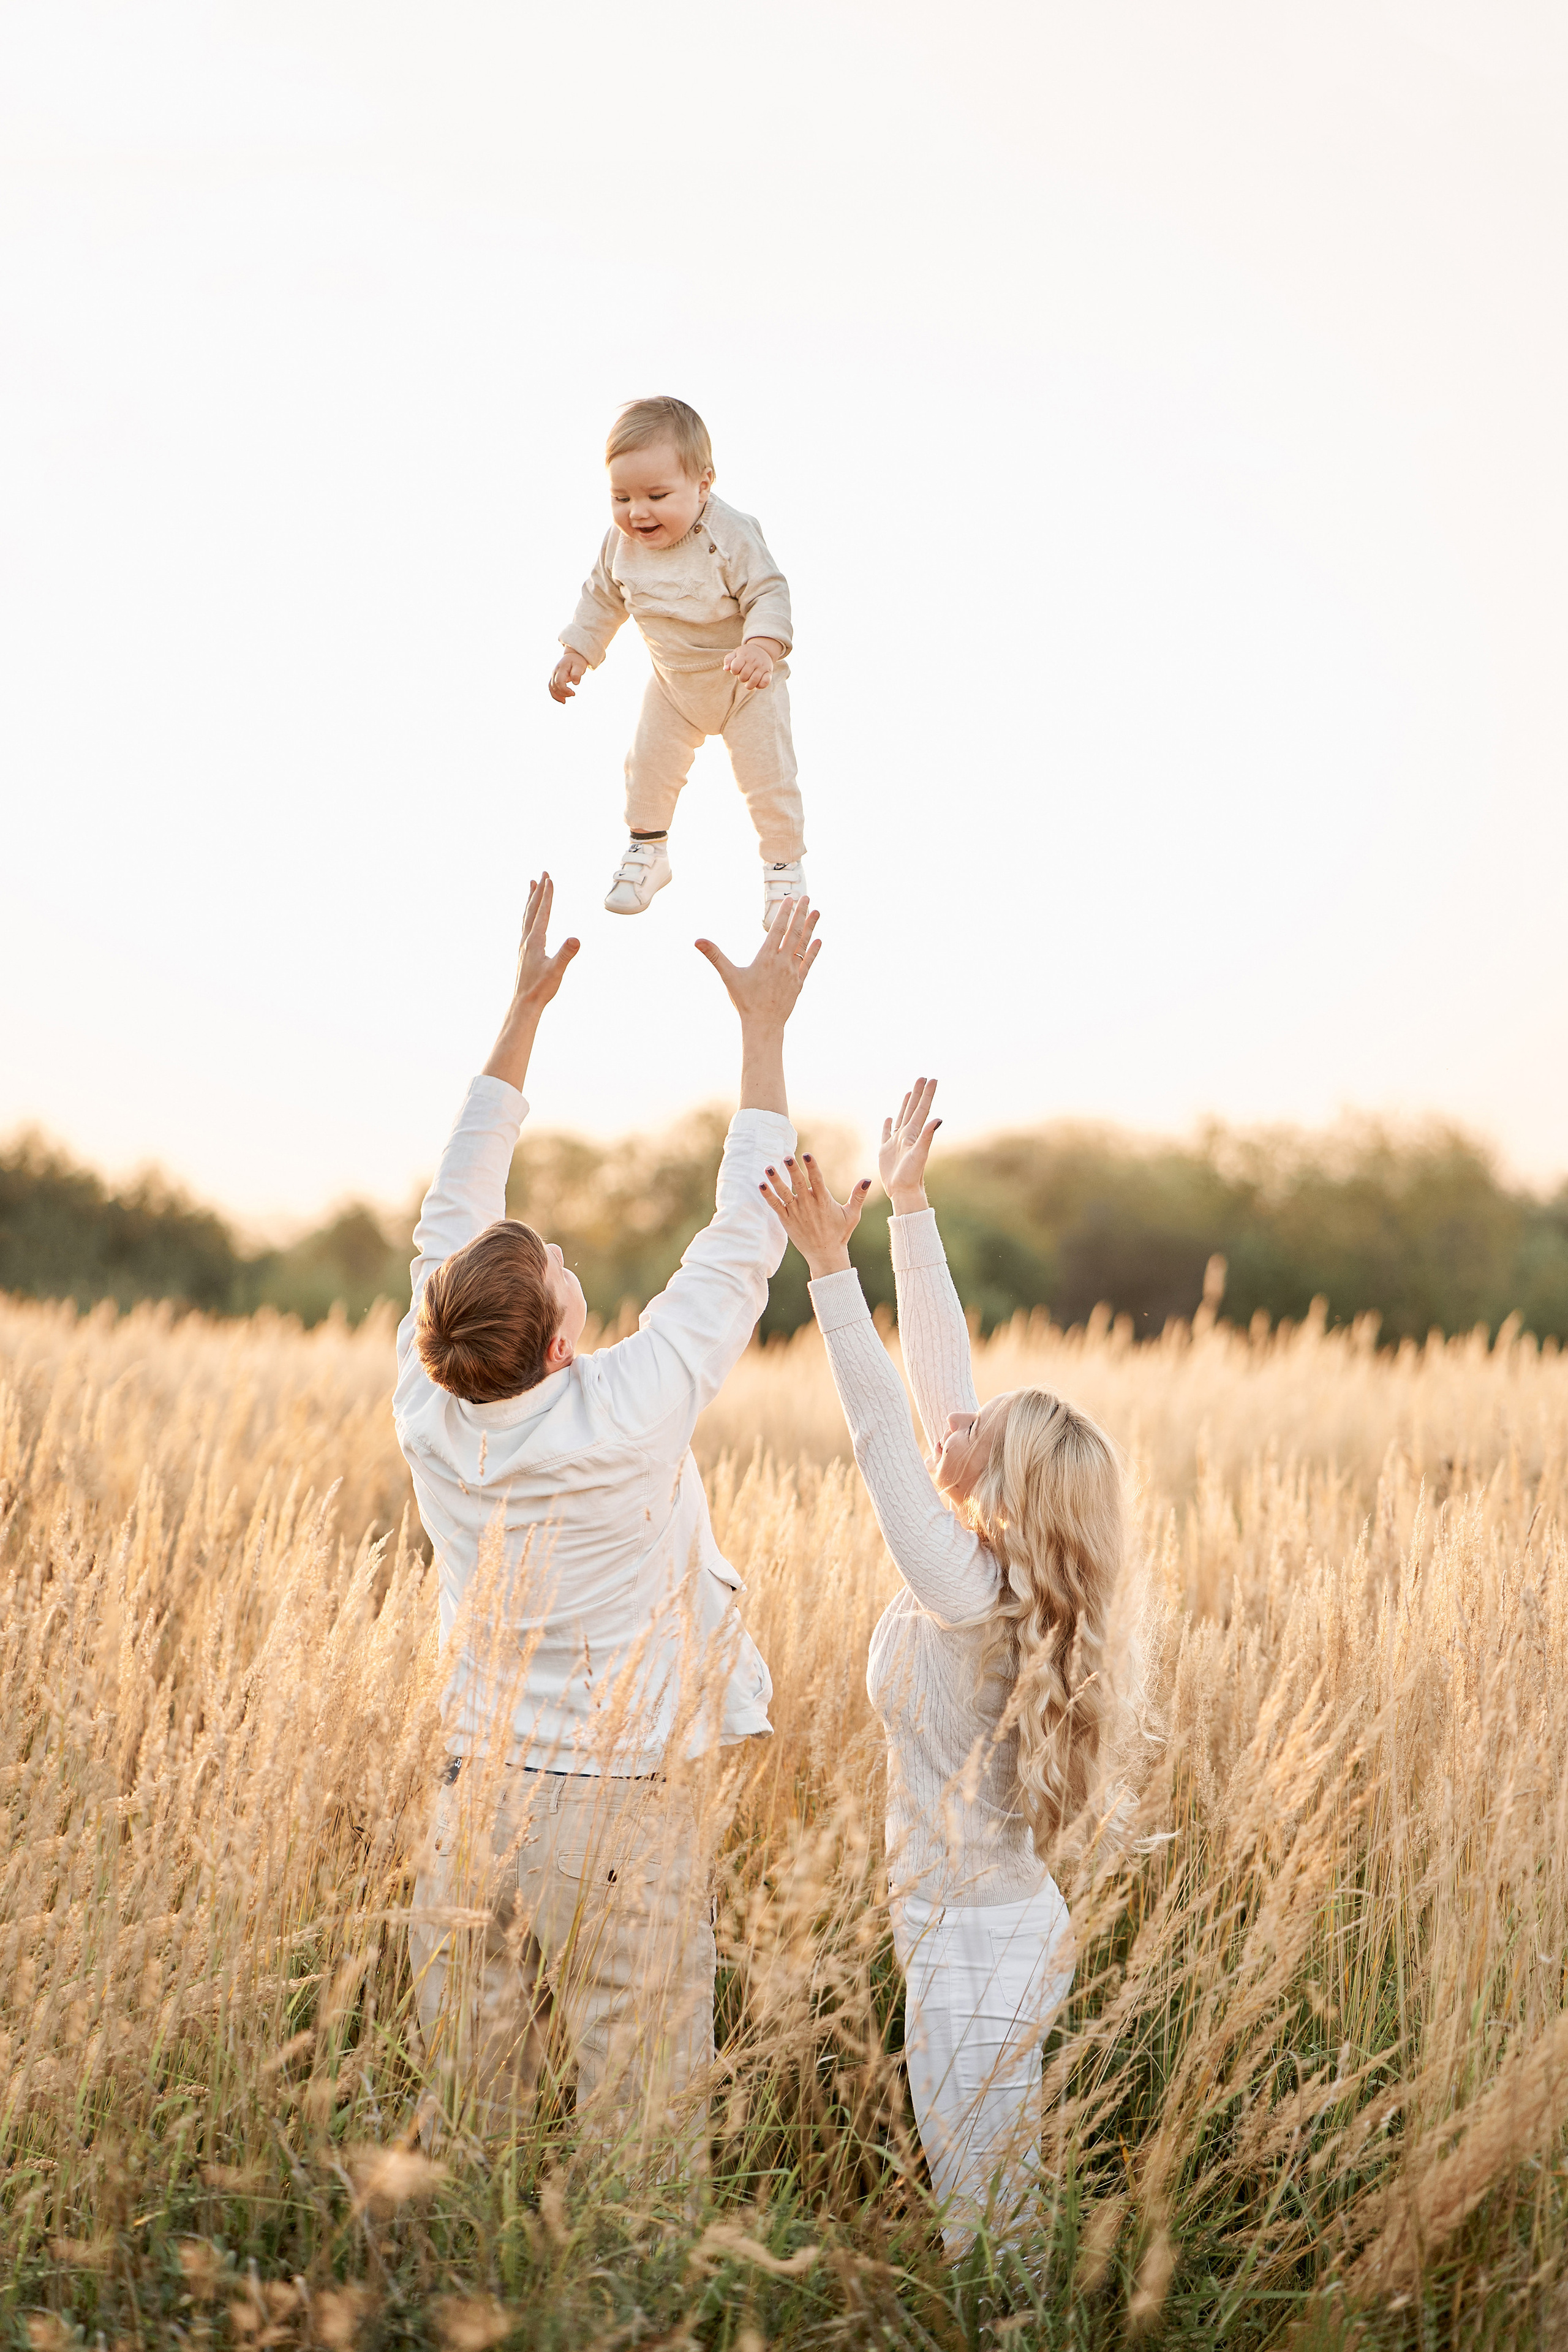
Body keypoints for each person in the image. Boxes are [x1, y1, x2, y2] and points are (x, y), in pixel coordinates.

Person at [398, 872, 819, 2165]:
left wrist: (516, 1014)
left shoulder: (429, 1405)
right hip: (618, 1810)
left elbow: (450, 1216)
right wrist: (763, 1027)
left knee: (467, 2127)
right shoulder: (628, 1406)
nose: (574, 1269)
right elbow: (745, 1243)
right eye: (567, 1274)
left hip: (471, 1797)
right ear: (565, 1335)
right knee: (640, 2132)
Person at [761, 1080, 1124, 2252]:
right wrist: (909, 1210)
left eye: (982, 1429)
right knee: (989, 2193)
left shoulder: (967, 1595)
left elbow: (883, 1433)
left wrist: (830, 1271)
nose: (953, 1426)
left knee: (990, 2225)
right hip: (983, 1923)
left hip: (977, 1943)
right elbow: (937, 1391)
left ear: (1002, 1484)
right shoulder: (1003, 1577)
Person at [548, 395, 806, 929]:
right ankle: (648, 853)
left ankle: (784, 872)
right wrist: (578, 650)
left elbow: (769, 592)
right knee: (646, 769)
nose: (637, 512)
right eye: (621, 496)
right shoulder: (621, 545)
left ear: (703, 484)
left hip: (745, 683)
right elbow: (602, 596)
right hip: (674, 685)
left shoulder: (729, 534)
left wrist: (762, 645)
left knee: (769, 780)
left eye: (657, 495)